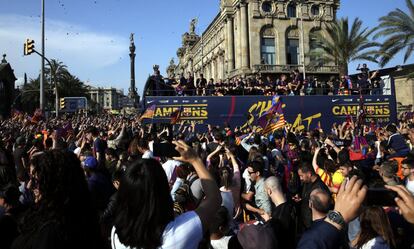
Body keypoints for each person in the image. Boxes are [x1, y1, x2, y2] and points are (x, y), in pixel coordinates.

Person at [111, 140, 221, 249]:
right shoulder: (181, 232)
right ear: (164, 190)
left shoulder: (116, 231)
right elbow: (214, 198)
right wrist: (195, 160)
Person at [12, 150, 102, 249]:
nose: (30, 186)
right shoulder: (85, 216)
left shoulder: (52, 232)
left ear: (56, 186)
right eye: (31, 178)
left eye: (37, 181)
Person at [294, 161, 330, 230]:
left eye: (301, 176)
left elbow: (322, 210)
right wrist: (301, 199)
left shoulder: (320, 188)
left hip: (313, 226)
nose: (300, 178)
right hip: (305, 222)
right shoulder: (307, 182)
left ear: (309, 174)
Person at [263, 176, 296, 249]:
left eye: (265, 191)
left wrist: (269, 222)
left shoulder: (279, 215)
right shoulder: (292, 205)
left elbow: (276, 239)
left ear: (269, 191)